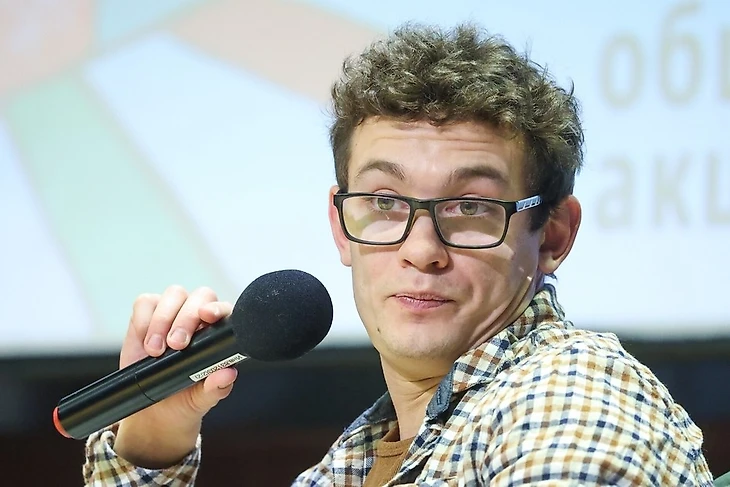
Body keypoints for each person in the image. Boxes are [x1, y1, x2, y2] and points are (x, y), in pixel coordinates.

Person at [82, 22, 714, 486]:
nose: (421, 250)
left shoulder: (567, 398)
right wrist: (155, 434)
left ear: (552, 235)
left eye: (470, 207)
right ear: (341, 225)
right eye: (384, 202)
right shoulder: (358, 457)